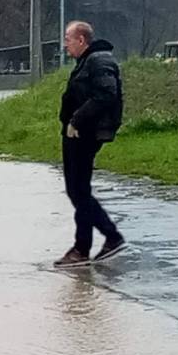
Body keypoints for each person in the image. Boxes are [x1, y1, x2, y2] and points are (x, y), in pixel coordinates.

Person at [54, 21, 126, 268]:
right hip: (76, 132)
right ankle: (84, 246)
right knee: (77, 190)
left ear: (81, 40)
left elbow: (106, 94)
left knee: (78, 190)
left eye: (68, 39)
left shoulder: (99, 61)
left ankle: (104, 239)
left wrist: (77, 119)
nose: (65, 45)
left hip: (85, 133)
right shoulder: (88, 61)